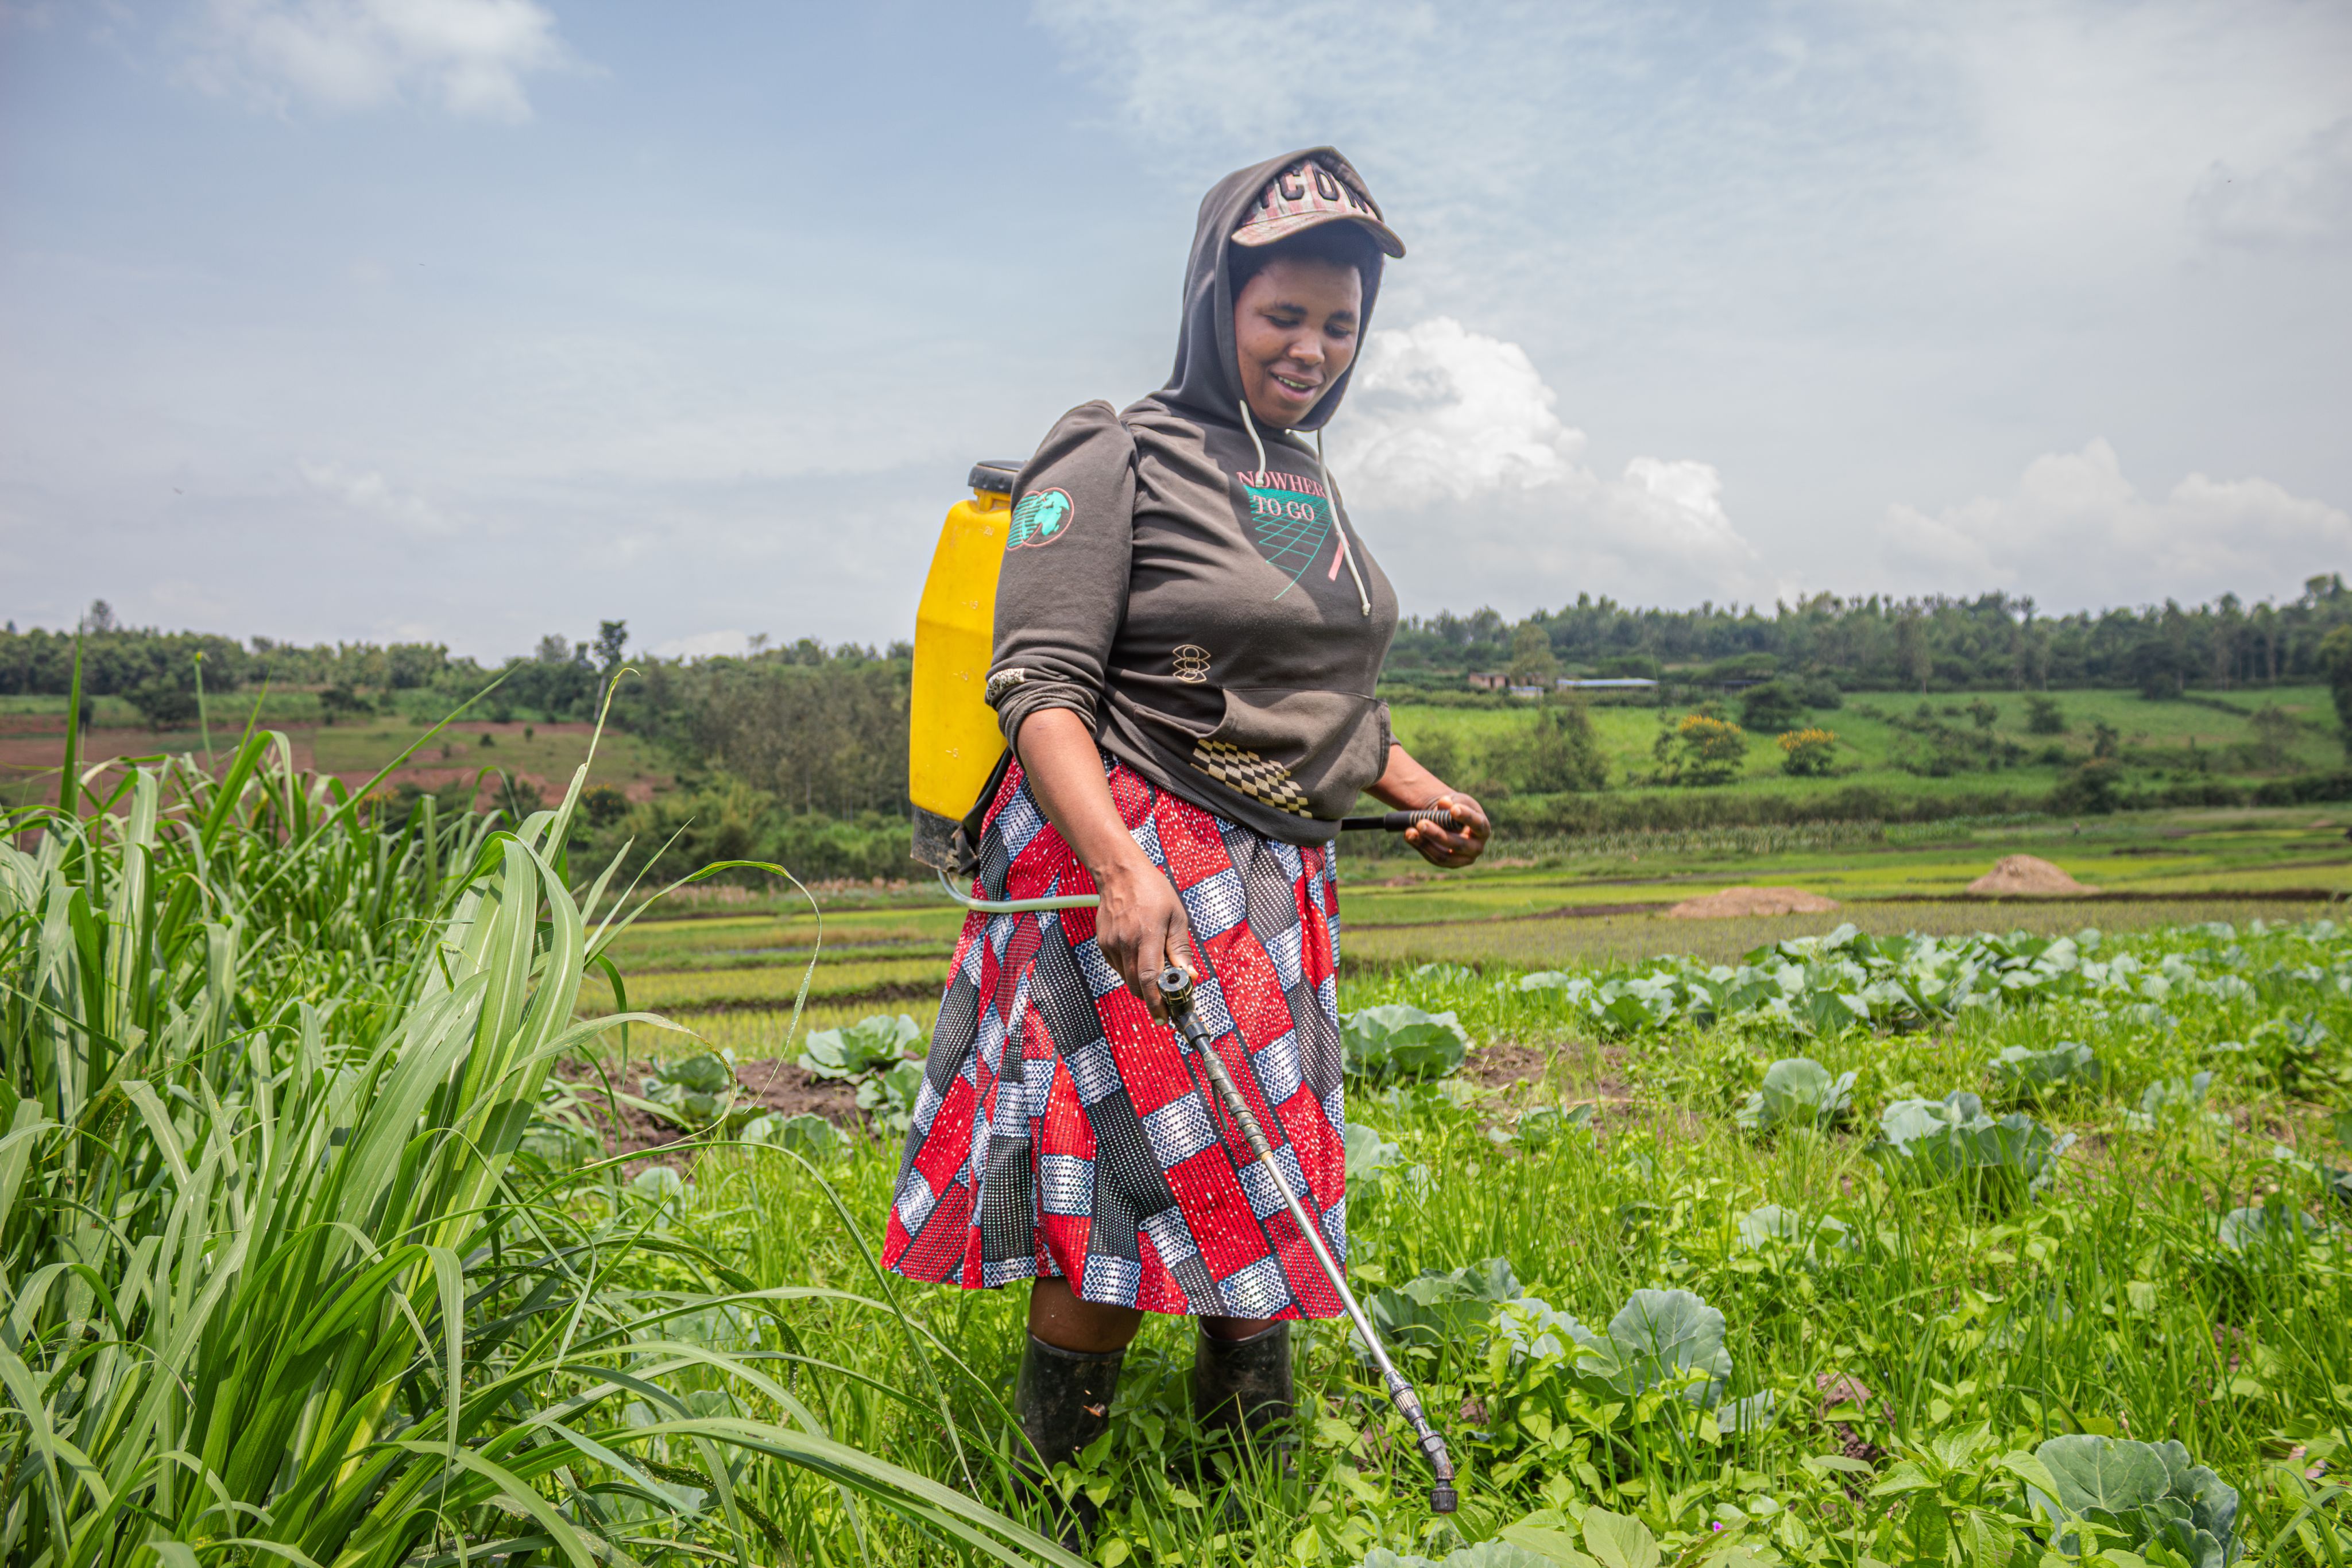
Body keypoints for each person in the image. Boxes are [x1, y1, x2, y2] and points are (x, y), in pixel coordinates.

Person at [880, 146, 1490, 1528]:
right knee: (1117, 1196)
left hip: (1277, 887)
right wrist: (1119, 864)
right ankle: (1049, 1509)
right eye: (1284, 315)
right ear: (1216, 299)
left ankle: (1246, 1499)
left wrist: (1418, 790)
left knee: (1257, 1194)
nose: (1312, 349)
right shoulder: (1117, 446)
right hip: (1138, 864)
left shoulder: (1305, 482)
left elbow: (1317, 701)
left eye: (1339, 325)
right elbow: (1038, 689)